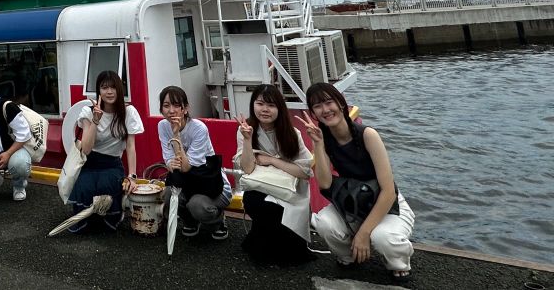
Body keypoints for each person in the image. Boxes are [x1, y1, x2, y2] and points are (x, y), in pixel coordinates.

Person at [302, 83, 415, 282]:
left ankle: (398, 264)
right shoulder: (325, 139)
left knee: (382, 238)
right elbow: (325, 184)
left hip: (387, 204)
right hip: (352, 202)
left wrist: (363, 234)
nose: (325, 110)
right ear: (313, 113)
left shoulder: (367, 135)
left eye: (329, 102)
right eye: (318, 106)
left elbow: (388, 191)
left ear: (341, 104)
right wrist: (318, 144)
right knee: (323, 222)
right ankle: (349, 256)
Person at [233, 84, 314, 265]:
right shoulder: (246, 130)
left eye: (271, 105)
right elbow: (247, 169)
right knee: (252, 200)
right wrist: (247, 140)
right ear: (253, 105)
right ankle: (264, 246)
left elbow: (305, 172)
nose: (265, 110)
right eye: (260, 103)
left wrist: (273, 161)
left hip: (289, 188)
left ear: (280, 108)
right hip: (263, 184)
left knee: (275, 209)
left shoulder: (293, 134)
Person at [66, 70, 144, 232]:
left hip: (112, 163)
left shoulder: (129, 112)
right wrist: (95, 121)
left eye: (113, 87)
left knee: (105, 186)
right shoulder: (89, 111)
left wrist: (132, 176)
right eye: (104, 87)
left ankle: (111, 218)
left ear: (120, 89)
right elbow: (86, 149)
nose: (109, 91)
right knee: (86, 188)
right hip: (88, 162)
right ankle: (86, 221)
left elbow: (130, 147)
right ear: (98, 91)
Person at [157, 85, 232, 241]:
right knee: (169, 194)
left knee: (197, 205)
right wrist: (172, 163)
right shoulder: (162, 126)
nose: (171, 110)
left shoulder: (198, 128)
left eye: (176, 105)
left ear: (185, 109)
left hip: (211, 185)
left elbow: (185, 166)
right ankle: (190, 221)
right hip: (188, 182)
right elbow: (170, 162)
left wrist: (176, 133)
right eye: (166, 105)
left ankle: (218, 221)